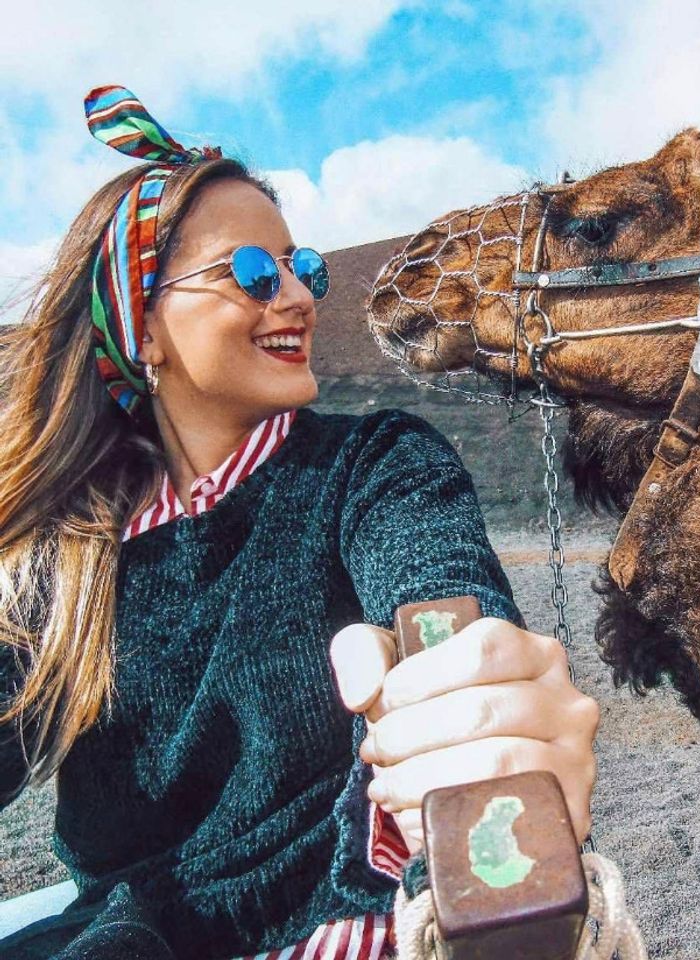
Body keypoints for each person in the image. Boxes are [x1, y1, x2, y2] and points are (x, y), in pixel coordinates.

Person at [0, 87, 598, 960]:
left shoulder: (373, 465)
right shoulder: (67, 558)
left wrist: (479, 709)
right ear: (145, 328)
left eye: (302, 268)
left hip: (349, 919)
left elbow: (440, 601)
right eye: (250, 273)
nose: (296, 296)